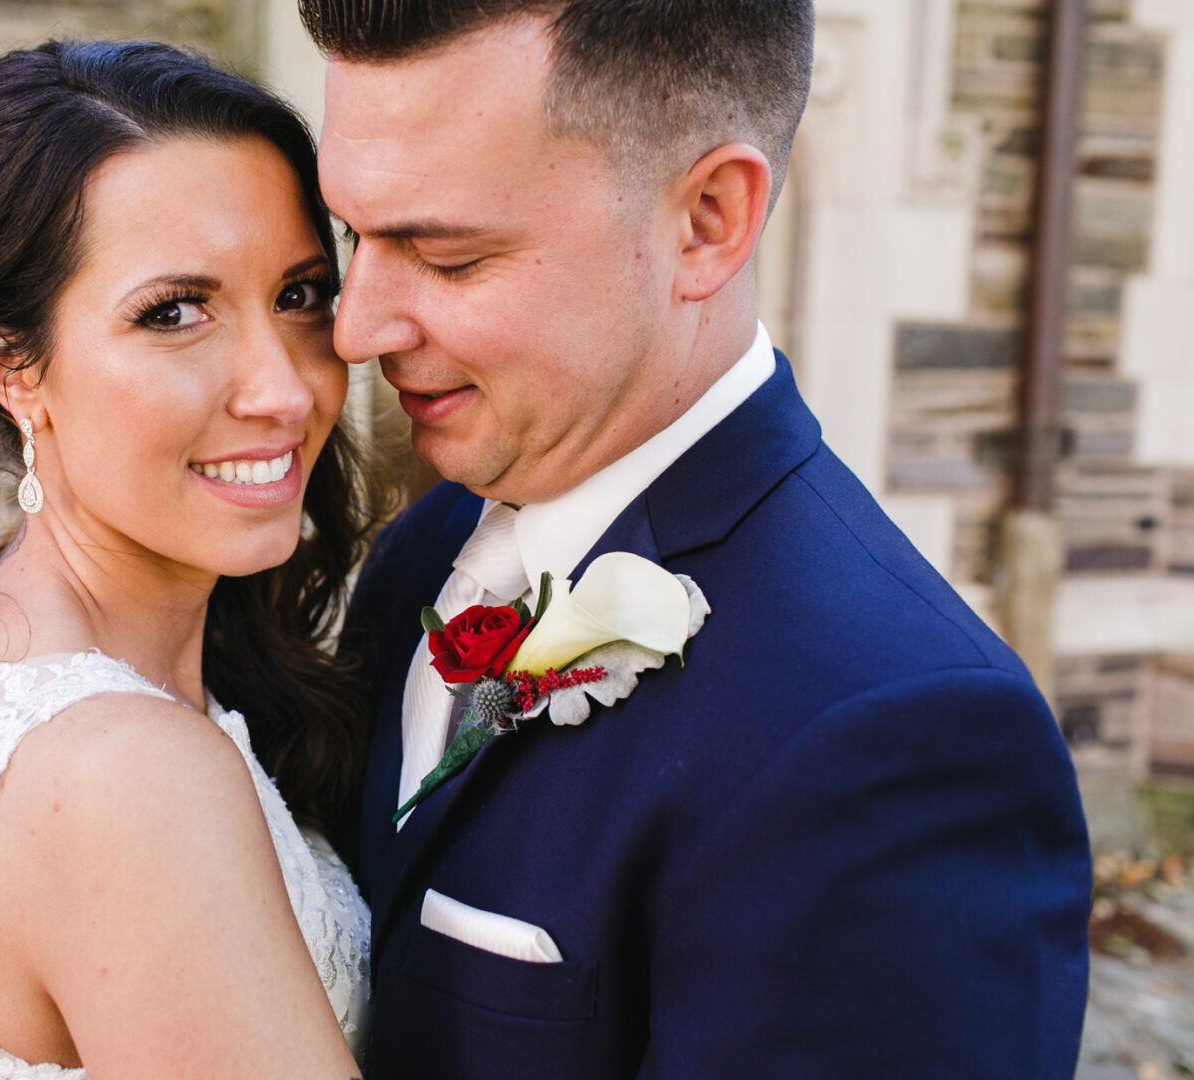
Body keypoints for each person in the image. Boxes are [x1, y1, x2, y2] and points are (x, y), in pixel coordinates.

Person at [302, 1, 1095, 1076]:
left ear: (708, 220)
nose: (356, 328)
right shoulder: (420, 554)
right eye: (355, 235)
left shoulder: (895, 741)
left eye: (446, 257)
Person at [0, 40, 379, 1080]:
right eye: (174, 312)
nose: (282, 389)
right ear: (9, 363)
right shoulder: (124, 776)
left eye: (299, 294)